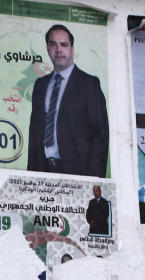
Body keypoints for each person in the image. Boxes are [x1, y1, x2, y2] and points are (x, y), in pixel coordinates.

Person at [27, 25, 108, 178]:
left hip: (76, 172)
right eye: (53, 44)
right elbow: (34, 135)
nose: (58, 50)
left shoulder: (89, 84)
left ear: (72, 49)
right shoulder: (40, 85)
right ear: (47, 48)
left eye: (64, 44)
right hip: (42, 171)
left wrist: (95, 180)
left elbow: (100, 137)